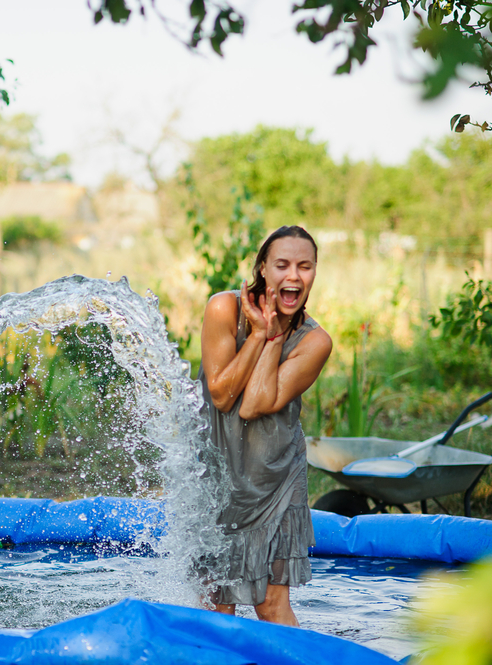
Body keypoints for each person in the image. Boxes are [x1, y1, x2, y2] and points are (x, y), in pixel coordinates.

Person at [197, 225, 332, 626]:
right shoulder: (223, 309)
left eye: (305, 267)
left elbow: (253, 404)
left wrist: (273, 339)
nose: (294, 276)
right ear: (262, 268)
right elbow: (222, 396)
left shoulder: (314, 342)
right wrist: (257, 335)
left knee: (270, 606)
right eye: (283, 265)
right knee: (215, 605)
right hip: (218, 478)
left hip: (276, 479)